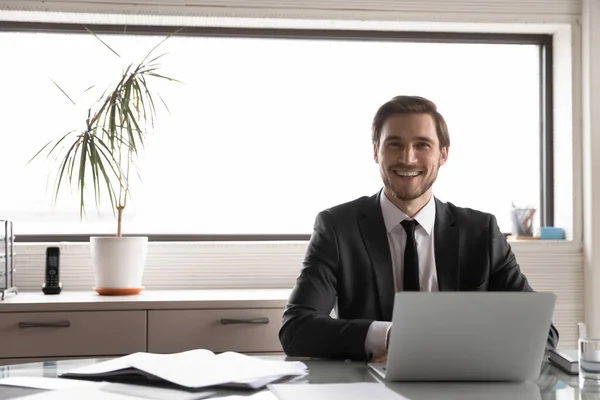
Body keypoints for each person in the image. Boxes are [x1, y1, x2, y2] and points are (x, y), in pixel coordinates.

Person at [278, 95, 559, 361]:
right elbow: (297, 329)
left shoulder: (481, 231)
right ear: (376, 152)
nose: (408, 158)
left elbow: (542, 332)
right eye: (394, 144)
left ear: (443, 155)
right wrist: (391, 337)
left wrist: (453, 353)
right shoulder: (338, 228)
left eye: (423, 145)